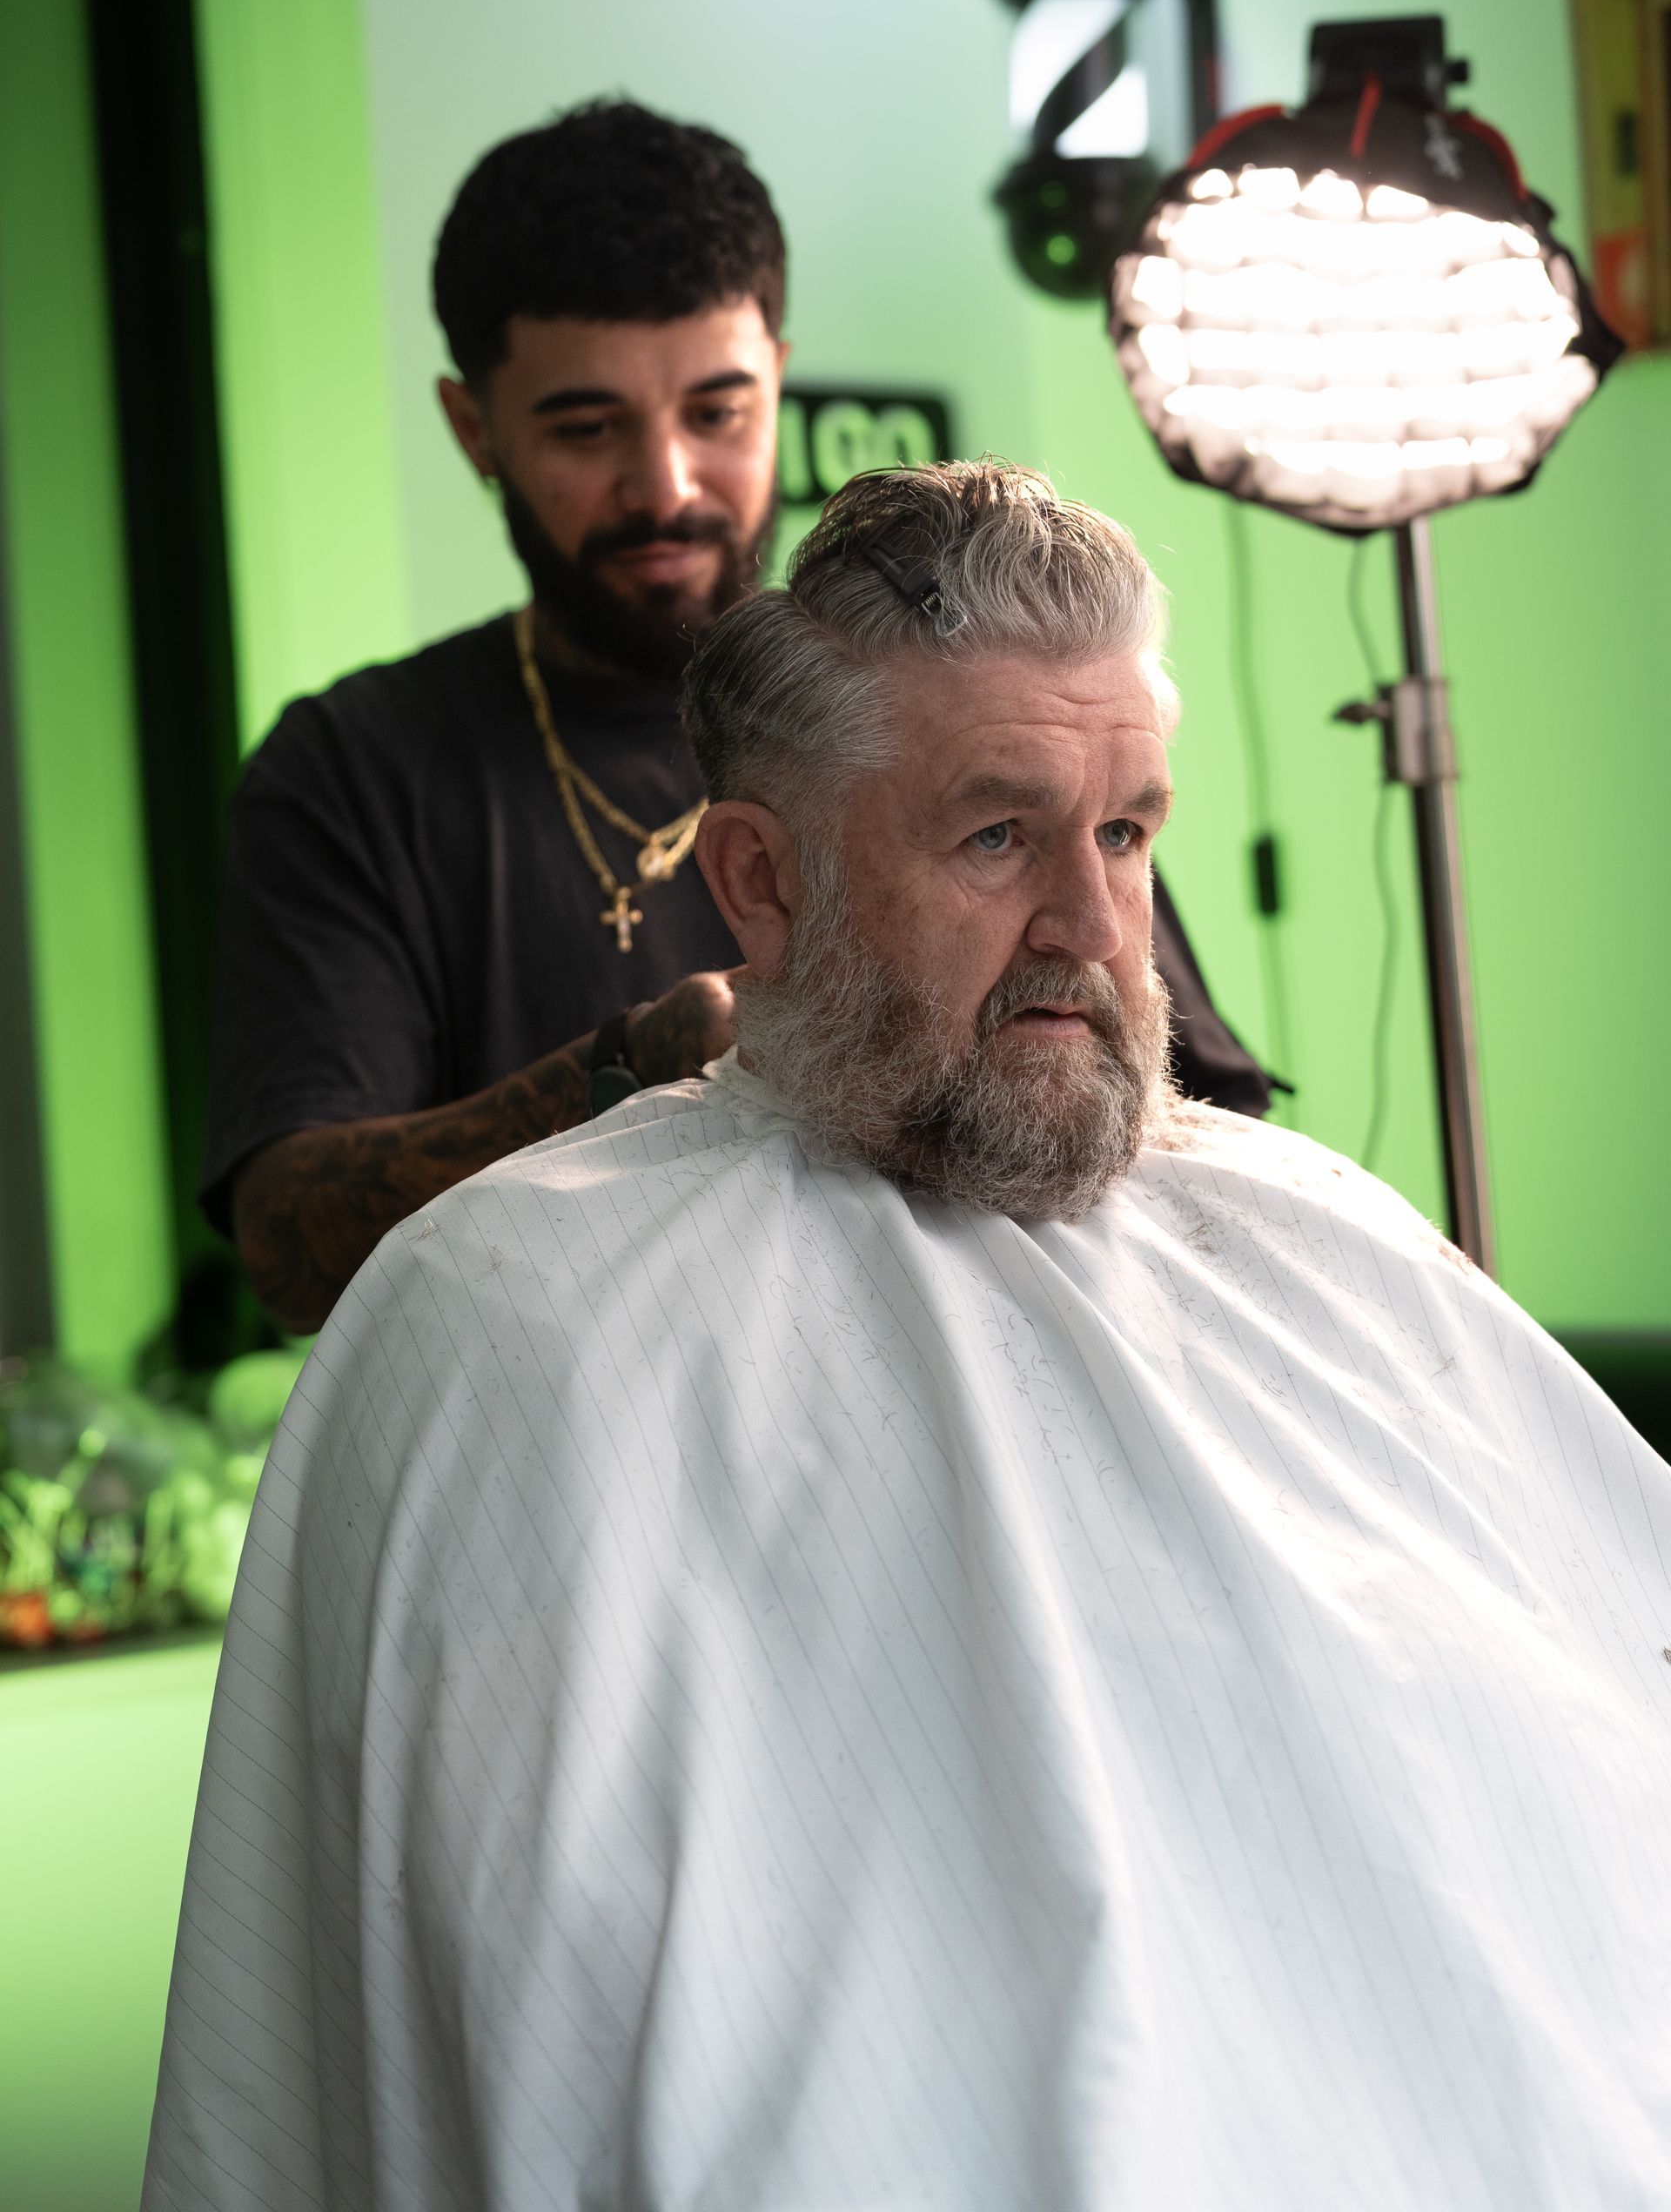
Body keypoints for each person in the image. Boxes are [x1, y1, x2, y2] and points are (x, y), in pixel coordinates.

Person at [148, 462, 1671, 2211]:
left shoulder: (1311, 1237)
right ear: (761, 882)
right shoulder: (517, 1315)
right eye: (997, 836)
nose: (1097, 932)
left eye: (1126, 833)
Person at [205, 100, 1269, 1334]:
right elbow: (289, 1244)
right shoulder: (357, 773)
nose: (666, 484)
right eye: (588, 426)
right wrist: (638, 1071)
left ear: (778, 375)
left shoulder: (957, 711)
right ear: (472, 426)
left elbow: (1199, 1132)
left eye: (718, 412)